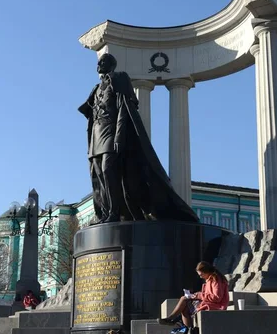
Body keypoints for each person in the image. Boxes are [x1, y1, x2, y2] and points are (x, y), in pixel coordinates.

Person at [78, 53, 198, 224]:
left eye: (102, 61)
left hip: (111, 133)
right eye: (98, 62)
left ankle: (114, 212)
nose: (99, 64)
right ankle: (104, 212)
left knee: (108, 170)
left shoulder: (119, 79)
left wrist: (119, 136)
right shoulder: (96, 88)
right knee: (99, 173)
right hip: (97, 136)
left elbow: (124, 109)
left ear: (111, 64)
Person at [159, 261, 229, 329]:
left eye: (201, 275)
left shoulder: (216, 280)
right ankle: (188, 331)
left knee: (184, 300)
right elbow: (207, 295)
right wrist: (195, 295)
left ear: (206, 271)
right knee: (185, 305)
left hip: (216, 306)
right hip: (209, 303)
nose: (200, 277)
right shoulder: (210, 280)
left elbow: (217, 298)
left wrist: (199, 295)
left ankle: (172, 319)